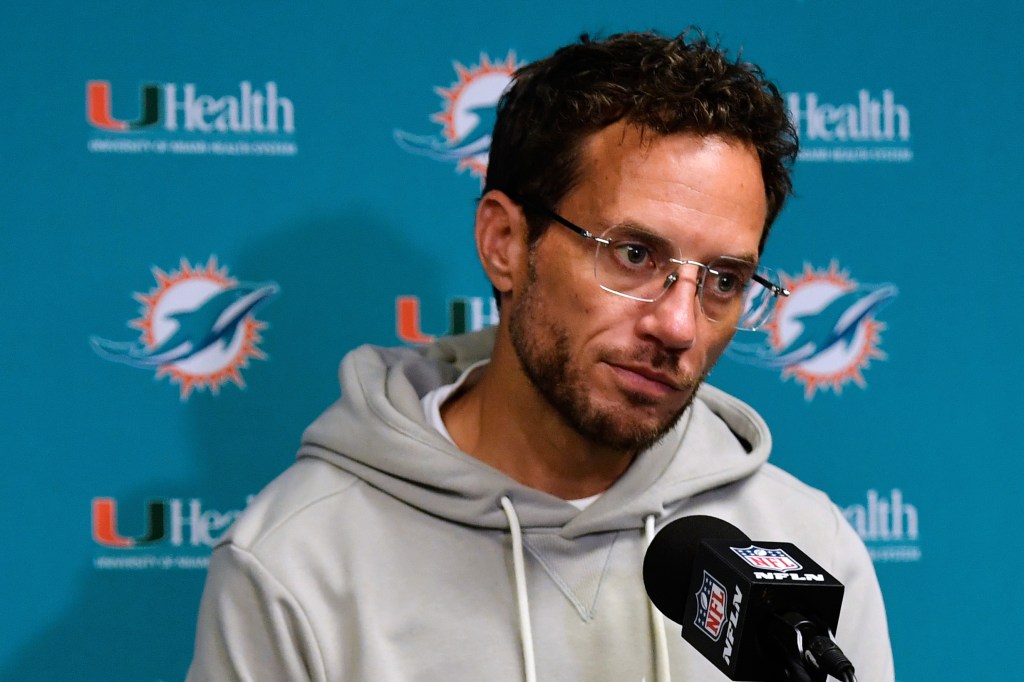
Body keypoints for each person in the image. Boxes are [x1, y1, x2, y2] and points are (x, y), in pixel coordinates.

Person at [188, 30, 894, 681]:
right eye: (634, 254)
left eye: (726, 280)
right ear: (505, 243)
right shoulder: (296, 563)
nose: (679, 325)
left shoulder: (805, 547)